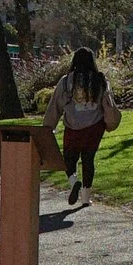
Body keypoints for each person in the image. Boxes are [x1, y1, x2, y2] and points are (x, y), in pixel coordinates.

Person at [45, 47, 120, 204]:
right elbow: (108, 103)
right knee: (88, 160)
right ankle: (86, 198)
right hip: (94, 127)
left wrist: (48, 127)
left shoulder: (66, 81)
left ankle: (73, 182)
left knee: (69, 159)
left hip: (72, 126)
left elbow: (55, 106)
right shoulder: (101, 80)